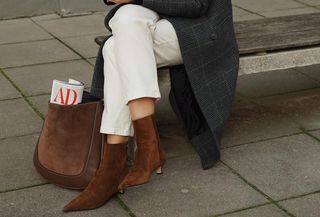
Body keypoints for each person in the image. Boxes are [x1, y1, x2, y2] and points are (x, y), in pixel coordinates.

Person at [63, 0, 239, 212]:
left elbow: (196, 5)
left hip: (200, 27)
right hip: (156, 16)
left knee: (114, 46)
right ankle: (136, 154)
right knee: (124, 20)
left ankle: (117, 164)